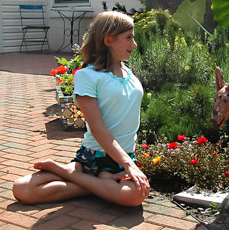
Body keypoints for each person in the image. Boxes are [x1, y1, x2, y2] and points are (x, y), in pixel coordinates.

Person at [12, 11, 150, 206]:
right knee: (22, 189)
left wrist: (127, 162)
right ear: (109, 39)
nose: (134, 44)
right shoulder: (87, 76)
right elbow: (97, 128)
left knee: (135, 196)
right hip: (93, 156)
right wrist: (129, 166)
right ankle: (98, 184)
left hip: (123, 157)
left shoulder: (128, 73)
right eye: (129, 38)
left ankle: (76, 177)